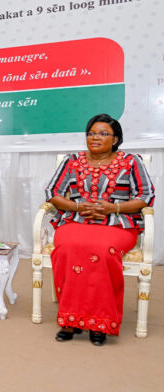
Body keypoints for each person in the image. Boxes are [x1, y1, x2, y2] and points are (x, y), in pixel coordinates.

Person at [45, 113, 155, 345]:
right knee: (66, 248)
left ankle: (100, 322)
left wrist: (113, 208)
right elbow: (52, 192)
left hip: (118, 223)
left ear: (115, 139)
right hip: (75, 220)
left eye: (103, 134)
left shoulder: (131, 161)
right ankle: (70, 320)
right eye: (92, 133)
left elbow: (145, 196)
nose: (95, 137)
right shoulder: (72, 160)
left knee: (102, 250)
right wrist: (77, 205)